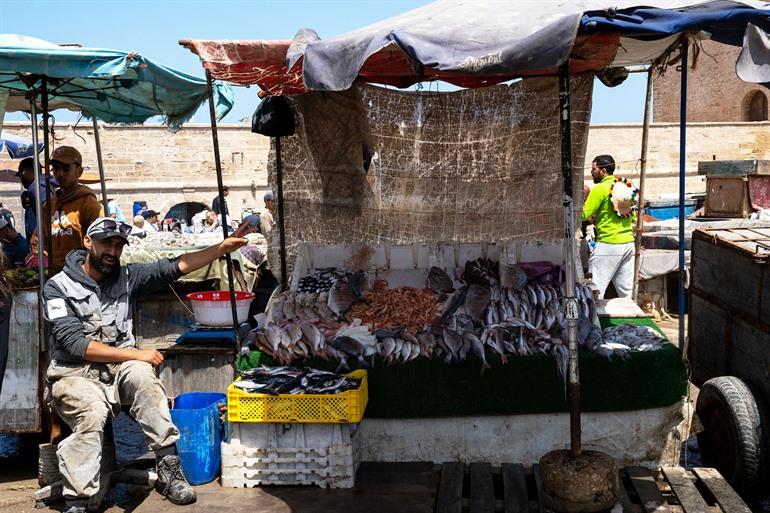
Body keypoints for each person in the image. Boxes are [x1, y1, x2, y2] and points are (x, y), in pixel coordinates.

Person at [43, 217, 256, 513]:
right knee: (92, 410)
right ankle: (78, 500)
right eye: (106, 243)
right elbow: (77, 345)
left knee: (145, 380)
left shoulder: (128, 277)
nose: (113, 252)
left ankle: (169, 467)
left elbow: (174, 266)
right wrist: (136, 354)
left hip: (119, 370)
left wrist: (221, 248)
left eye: (118, 246)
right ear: (88, 242)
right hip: (73, 373)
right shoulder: (57, 288)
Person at [29, 146, 104, 272]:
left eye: (66, 168)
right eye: (56, 169)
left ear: (79, 172)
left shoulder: (89, 204)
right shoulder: (48, 205)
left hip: (80, 275)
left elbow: (98, 244)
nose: (60, 173)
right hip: (53, 276)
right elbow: (38, 240)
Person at [582, 154, 636, 299]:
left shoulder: (599, 189)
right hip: (628, 244)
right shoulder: (625, 186)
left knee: (595, 289)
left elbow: (583, 215)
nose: (591, 172)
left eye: (594, 169)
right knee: (626, 292)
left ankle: (594, 321)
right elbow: (632, 215)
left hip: (609, 244)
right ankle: (633, 320)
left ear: (603, 170)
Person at [16, 157, 55, 240]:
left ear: (24, 172)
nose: (21, 180)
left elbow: (48, 210)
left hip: (42, 242)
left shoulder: (36, 186)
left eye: (20, 176)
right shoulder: (43, 184)